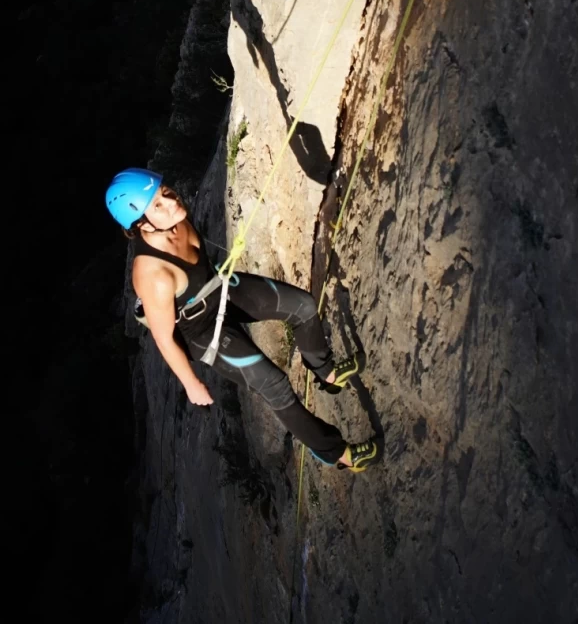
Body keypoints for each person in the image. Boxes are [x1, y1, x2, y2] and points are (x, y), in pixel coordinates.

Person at [105, 168, 380, 473]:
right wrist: (191, 384)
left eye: (165, 190)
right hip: (203, 331)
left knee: (302, 306)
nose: (171, 200)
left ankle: (326, 373)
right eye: (157, 204)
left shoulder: (174, 218)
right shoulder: (152, 274)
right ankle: (336, 453)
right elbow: (164, 339)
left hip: (217, 288)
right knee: (275, 385)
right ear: (141, 224)